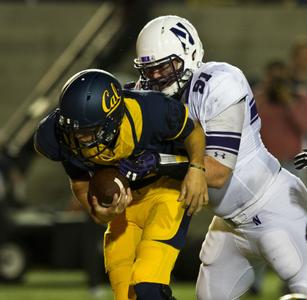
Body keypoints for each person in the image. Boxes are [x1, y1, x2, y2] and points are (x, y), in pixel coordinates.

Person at [123, 15, 307, 299]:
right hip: (229, 224)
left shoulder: (219, 82)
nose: (156, 76)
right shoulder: (148, 96)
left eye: (163, 66)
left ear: (190, 53)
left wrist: (158, 163)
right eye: (149, 69)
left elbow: (219, 173)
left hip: (275, 207)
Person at [34, 68, 208, 300]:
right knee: (126, 294)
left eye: (87, 132)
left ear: (113, 120)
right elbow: (79, 182)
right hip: (125, 205)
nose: (78, 138)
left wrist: (196, 168)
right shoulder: (54, 135)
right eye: (72, 130)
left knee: (148, 285)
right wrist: (100, 213)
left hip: (164, 191)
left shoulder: (151, 111)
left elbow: (193, 130)